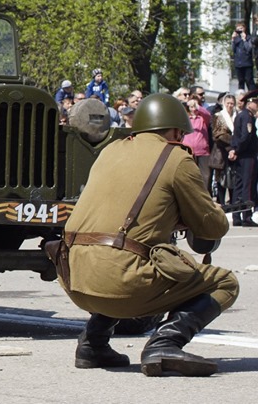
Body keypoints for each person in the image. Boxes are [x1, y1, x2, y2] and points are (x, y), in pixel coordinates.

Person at [59, 93, 238, 377]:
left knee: (123, 255)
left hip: (75, 278)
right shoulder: (176, 158)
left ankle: (93, 342)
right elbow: (212, 228)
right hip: (119, 285)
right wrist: (209, 211)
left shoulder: (111, 150)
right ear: (177, 130)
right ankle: (165, 343)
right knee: (226, 282)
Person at [228, 97, 258, 226]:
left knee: (239, 186)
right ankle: (246, 217)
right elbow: (245, 137)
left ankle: (236, 217)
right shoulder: (247, 117)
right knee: (247, 186)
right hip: (246, 156)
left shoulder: (242, 115)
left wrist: (235, 150)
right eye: (256, 103)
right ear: (249, 103)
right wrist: (237, 150)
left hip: (242, 155)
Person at [181, 96, 212, 191]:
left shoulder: (202, 118)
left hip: (203, 152)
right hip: (189, 151)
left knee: (205, 176)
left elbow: (208, 114)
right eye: (191, 106)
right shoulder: (185, 118)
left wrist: (197, 106)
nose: (193, 108)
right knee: (189, 175)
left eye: (195, 105)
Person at [211, 93, 236, 205]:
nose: (230, 106)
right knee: (221, 179)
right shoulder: (218, 116)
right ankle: (221, 203)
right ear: (224, 104)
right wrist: (231, 146)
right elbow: (218, 135)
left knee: (233, 178)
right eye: (228, 103)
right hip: (221, 151)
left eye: (232, 103)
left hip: (235, 152)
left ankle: (233, 202)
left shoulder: (237, 115)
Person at [232, 23, 256, 91]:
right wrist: (233, 39)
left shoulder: (249, 38)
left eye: (241, 28)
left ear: (244, 29)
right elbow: (233, 50)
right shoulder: (236, 39)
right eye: (238, 29)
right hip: (238, 64)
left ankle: (253, 95)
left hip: (247, 63)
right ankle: (241, 95)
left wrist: (244, 39)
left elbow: (249, 49)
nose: (240, 30)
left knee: (249, 80)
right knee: (240, 81)